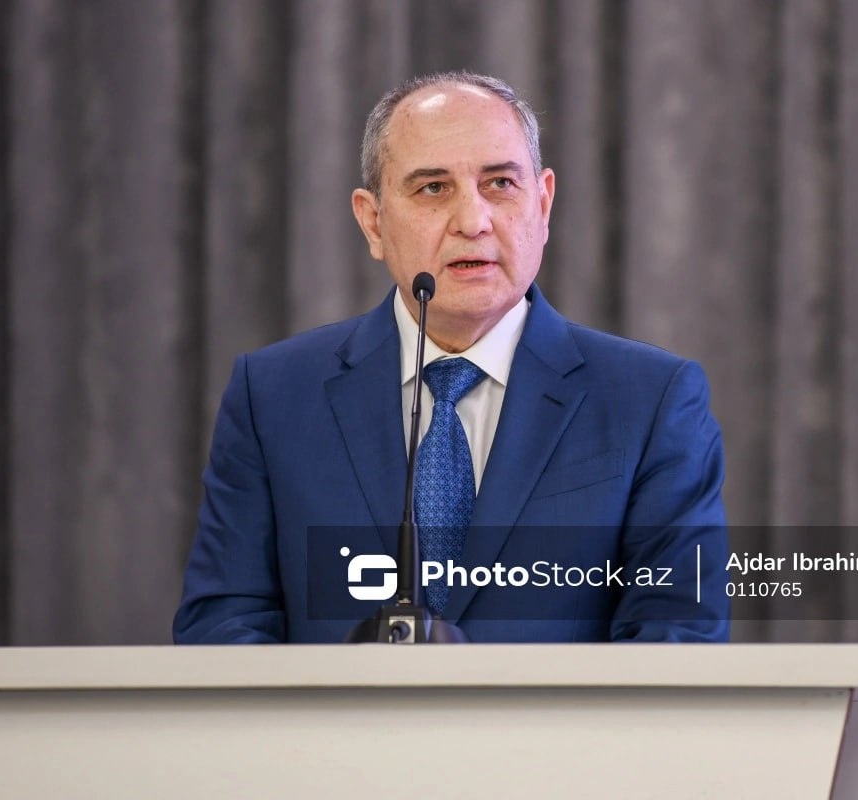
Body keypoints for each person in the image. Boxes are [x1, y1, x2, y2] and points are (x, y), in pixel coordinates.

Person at [174, 71, 728, 644]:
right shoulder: (273, 396)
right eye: (433, 188)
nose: (472, 221)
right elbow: (224, 629)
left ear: (542, 204)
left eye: (500, 184)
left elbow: (678, 637)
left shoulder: (651, 401)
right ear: (373, 221)